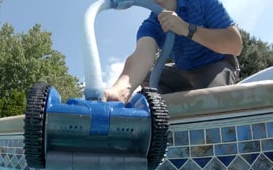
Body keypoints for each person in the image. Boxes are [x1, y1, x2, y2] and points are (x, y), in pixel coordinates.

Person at [103, 0, 243, 103]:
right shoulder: (151, 25)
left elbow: (235, 45)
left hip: (216, 63)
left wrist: (187, 29)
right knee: (148, 84)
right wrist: (120, 90)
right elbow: (142, 56)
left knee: (210, 99)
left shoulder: (203, 2)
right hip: (182, 70)